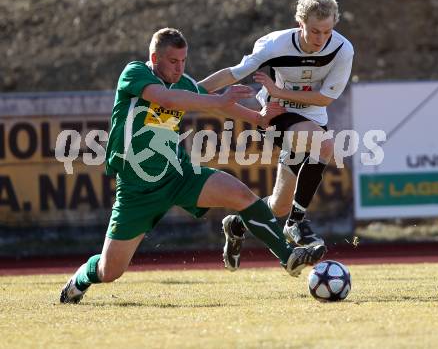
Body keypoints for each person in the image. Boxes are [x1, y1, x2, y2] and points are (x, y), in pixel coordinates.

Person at [60, 28, 326, 304]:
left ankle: (288, 258)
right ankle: (79, 281)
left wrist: (257, 118)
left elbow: (214, 105)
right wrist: (218, 99)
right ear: (155, 57)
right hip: (137, 189)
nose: (179, 67)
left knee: (242, 196)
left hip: (179, 175)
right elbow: (168, 99)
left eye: (184, 60)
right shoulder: (136, 73)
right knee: (109, 270)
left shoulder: (184, 83)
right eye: (173, 61)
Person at [200, 0, 354, 271]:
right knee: (325, 145)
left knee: (279, 205)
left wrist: (278, 88)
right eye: (314, 31)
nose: (321, 39)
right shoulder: (274, 45)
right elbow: (234, 73)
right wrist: (190, 93)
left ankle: (237, 225)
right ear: (300, 24)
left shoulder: (342, 50)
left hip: (312, 115)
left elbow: (325, 99)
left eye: (327, 31)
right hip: (277, 114)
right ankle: (296, 224)